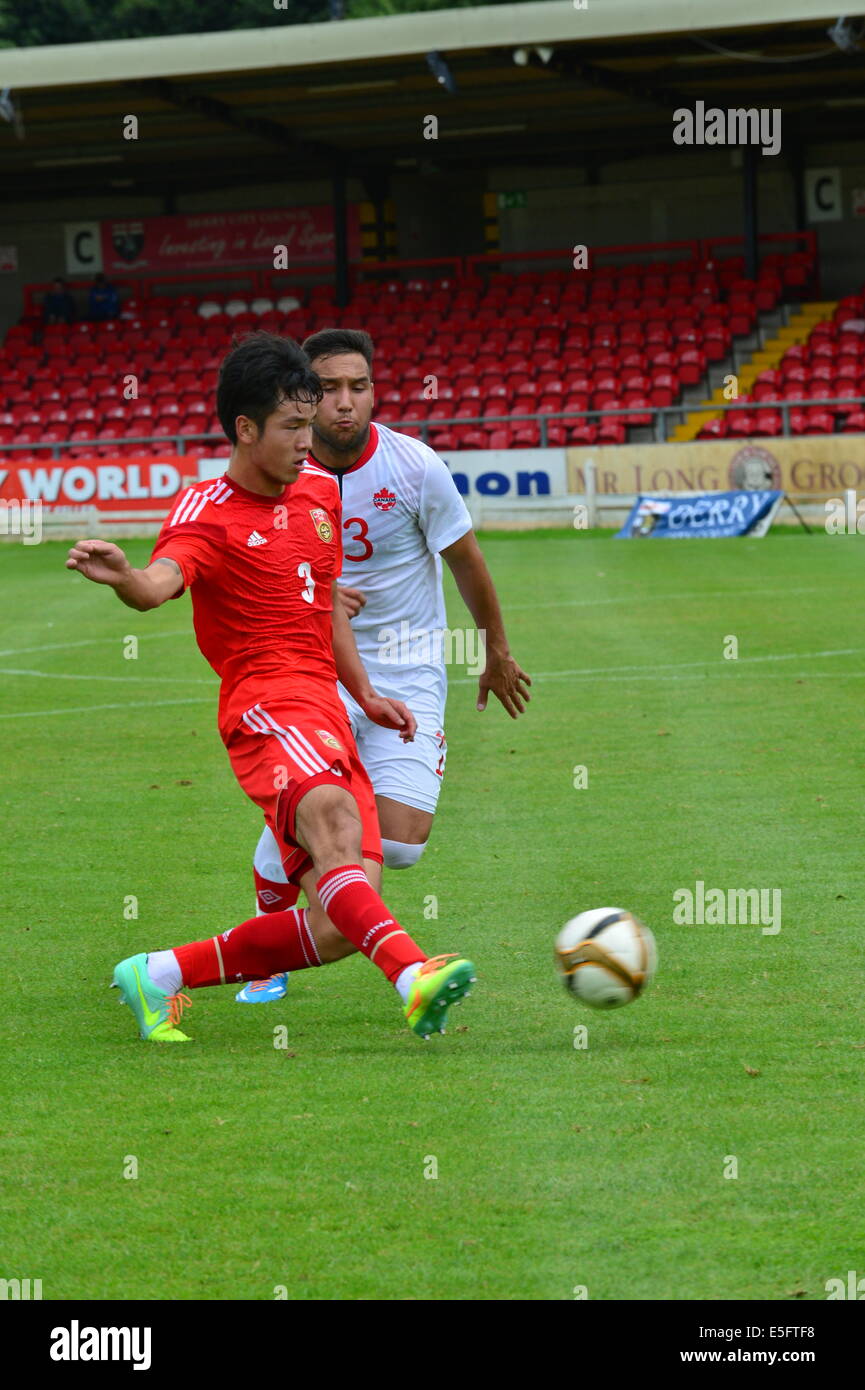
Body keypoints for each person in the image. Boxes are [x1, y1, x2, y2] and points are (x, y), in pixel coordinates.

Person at [65, 333, 476, 1042]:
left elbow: (323, 608)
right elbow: (160, 584)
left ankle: (157, 973)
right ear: (246, 429)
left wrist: (366, 693)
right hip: (263, 704)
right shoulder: (205, 511)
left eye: (309, 423)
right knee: (333, 820)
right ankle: (414, 976)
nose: (307, 440)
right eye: (292, 427)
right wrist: (127, 577)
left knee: (343, 920)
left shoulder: (317, 490)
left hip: (324, 699)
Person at [238, 327, 530, 1004]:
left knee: (398, 846)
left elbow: (466, 563)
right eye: (329, 388)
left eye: (358, 387)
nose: (344, 403)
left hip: (408, 669)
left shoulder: (415, 466)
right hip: (313, 670)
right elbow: (250, 563)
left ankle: (283, 839)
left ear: (374, 392)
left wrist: (496, 651)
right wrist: (311, 590)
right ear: (305, 395)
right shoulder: (285, 470)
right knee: (324, 811)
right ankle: (270, 928)